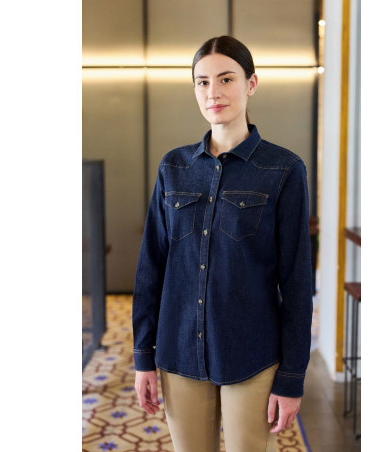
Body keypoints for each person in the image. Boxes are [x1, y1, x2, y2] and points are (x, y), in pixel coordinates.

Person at [132, 35, 313, 452]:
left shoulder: (283, 169)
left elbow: (297, 282)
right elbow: (150, 268)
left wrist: (291, 377)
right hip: (178, 352)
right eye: (202, 82)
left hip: (252, 355)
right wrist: (143, 356)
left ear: (251, 84)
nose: (213, 92)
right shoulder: (173, 167)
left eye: (226, 79)